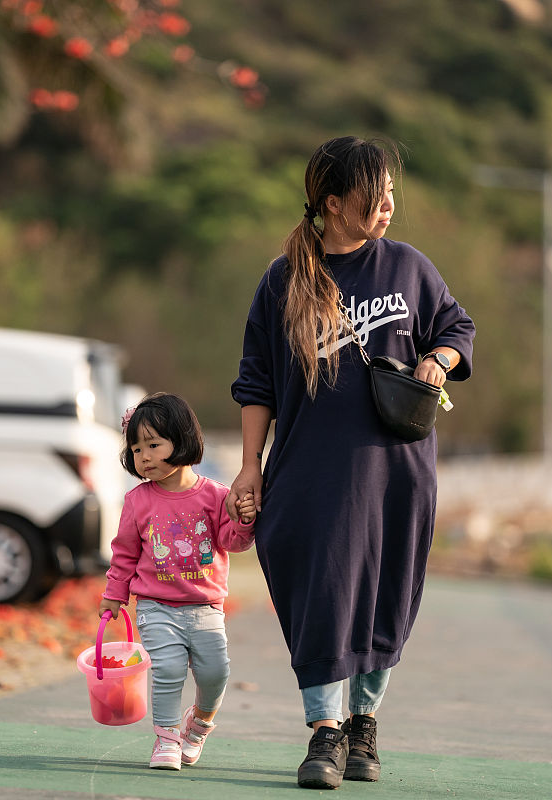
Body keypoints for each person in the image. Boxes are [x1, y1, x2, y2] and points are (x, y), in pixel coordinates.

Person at [227, 136, 475, 789]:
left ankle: (363, 724)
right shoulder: (283, 282)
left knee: (386, 598)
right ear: (334, 203)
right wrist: (250, 466)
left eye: (392, 191)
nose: (390, 204)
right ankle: (324, 732)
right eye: (376, 194)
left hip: (399, 473)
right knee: (322, 598)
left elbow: (457, 328)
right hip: (311, 476)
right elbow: (255, 385)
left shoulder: (409, 269)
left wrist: (437, 360)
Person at [99, 392, 256, 771]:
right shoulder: (138, 501)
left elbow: (232, 542)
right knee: (167, 670)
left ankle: (197, 725)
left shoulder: (216, 496)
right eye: (137, 449)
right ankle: (167, 738)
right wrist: (113, 595)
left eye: (154, 444)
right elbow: (124, 554)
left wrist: (245, 519)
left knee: (216, 673)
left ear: (183, 438)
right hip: (156, 606)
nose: (145, 456)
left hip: (205, 607)